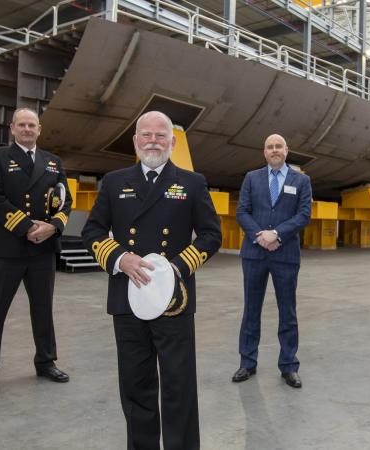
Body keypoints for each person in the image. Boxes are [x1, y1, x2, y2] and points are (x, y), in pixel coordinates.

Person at [82, 111, 221, 449]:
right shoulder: (114, 182)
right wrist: (120, 258)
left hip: (174, 301)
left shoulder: (192, 182)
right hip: (128, 300)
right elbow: (92, 231)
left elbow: (210, 235)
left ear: (172, 143)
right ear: (135, 141)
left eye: (161, 136)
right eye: (146, 135)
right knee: (136, 387)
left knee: (178, 387)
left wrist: (178, 266)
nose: (153, 142)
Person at [0, 108, 73, 397]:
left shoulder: (53, 162)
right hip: (10, 248)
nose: (27, 129)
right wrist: (29, 227)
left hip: (43, 250)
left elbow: (65, 201)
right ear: (12, 128)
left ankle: (46, 361)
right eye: (22, 125)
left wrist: (53, 226)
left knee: (43, 309)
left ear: (39, 129)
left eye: (32, 125)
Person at [232, 134, 312, 389]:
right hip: (255, 253)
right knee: (251, 309)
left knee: (287, 311)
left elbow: (303, 215)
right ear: (264, 152)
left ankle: (289, 365)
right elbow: (242, 211)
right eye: (270, 147)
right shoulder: (251, 178)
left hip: (285, 254)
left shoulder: (302, 180)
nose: (274, 150)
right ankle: (247, 362)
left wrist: (277, 234)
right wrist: (261, 236)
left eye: (279, 146)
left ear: (287, 150)